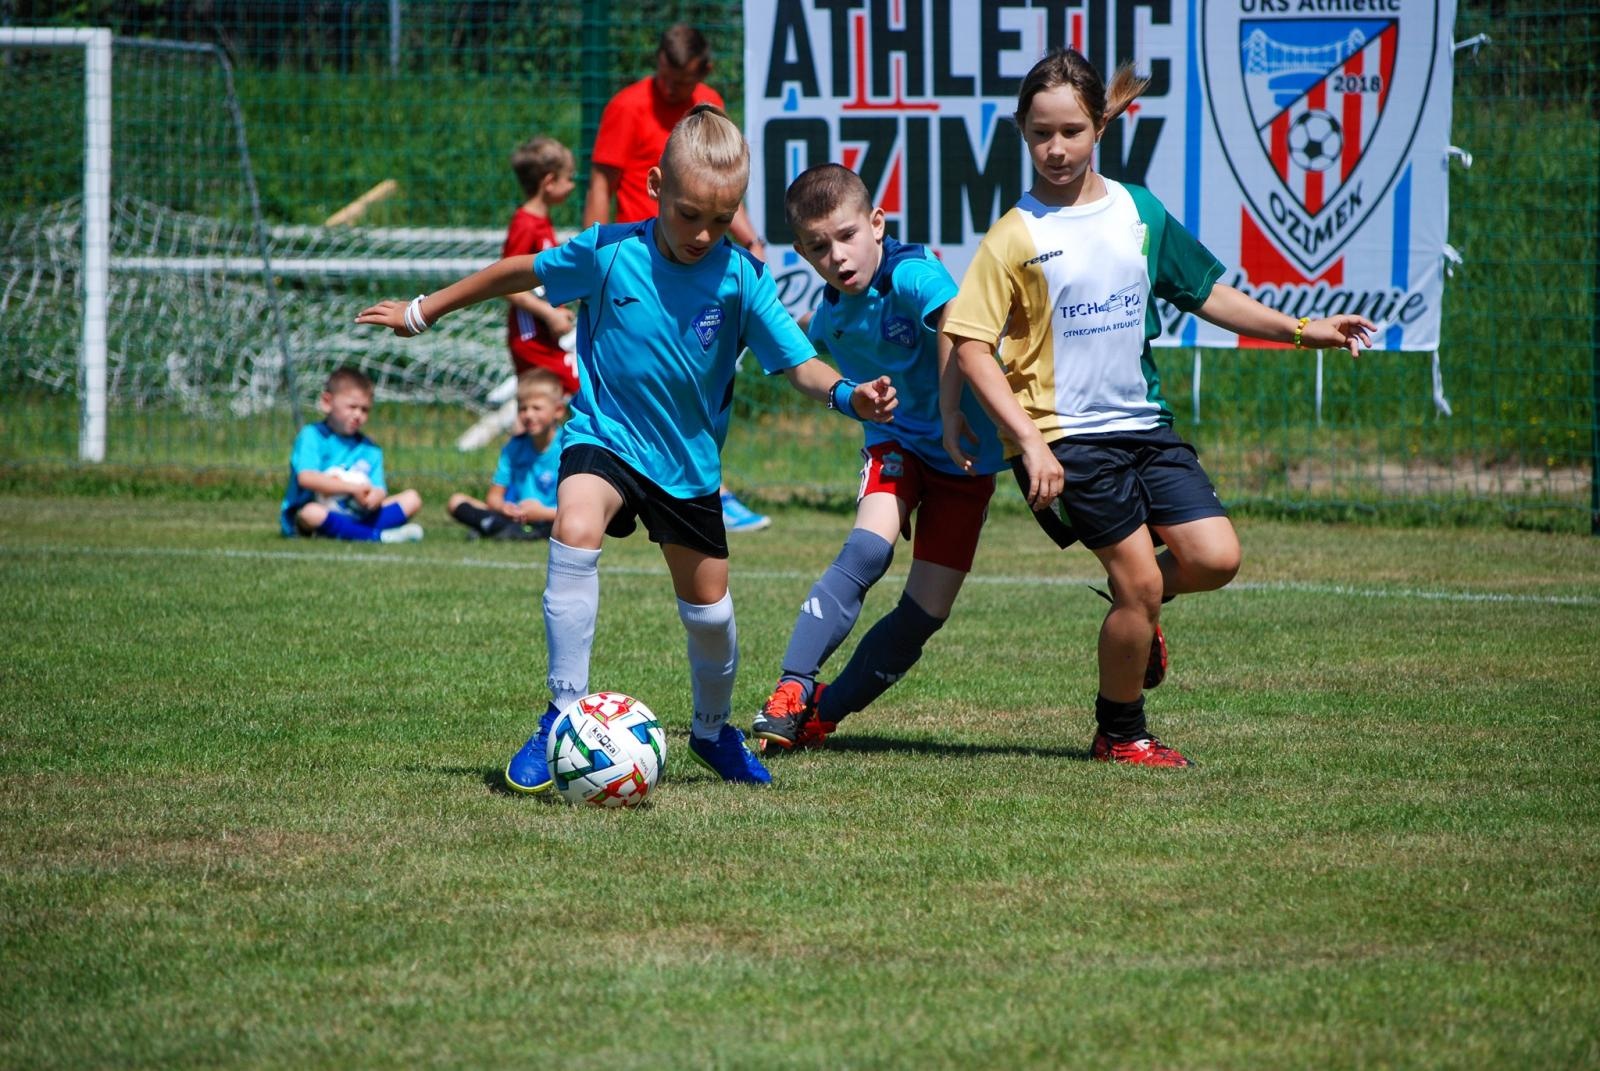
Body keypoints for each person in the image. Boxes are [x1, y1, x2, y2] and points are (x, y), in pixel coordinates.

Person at [356, 104, 897, 789]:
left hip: (688, 465)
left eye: (720, 216)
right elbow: (516, 271)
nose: (703, 232)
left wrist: (850, 395)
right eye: (689, 213)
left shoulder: (742, 278)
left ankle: (711, 731)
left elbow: (799, 366)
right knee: (575, 526)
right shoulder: (610, 250)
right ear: (654, 189)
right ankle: (560, 712)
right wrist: (421, 310)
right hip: (604, 434)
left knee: (711, 616)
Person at [942, 48, 1373, 768]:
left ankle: (1137, 618)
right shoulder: (1014, 234)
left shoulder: (1139, 211)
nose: (1056, 147)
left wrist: (1305, 330)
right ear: (1021, 131)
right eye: (1041, 132)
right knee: (1140, 581)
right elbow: (971, 342)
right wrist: (1028, 440)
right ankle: (1120, 731)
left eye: (1072, 131)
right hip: (1064, 437)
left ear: (1100, 126)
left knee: (1216, 557)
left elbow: (1209, 294)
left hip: (1144, 426)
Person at [750, 164, 1006, 752]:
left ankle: (821, 715)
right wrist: (858, 400)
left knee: (924, 615)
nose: (837, 256)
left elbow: (958, 326)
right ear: (803, 252)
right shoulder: (832, 316)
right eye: (818, 247)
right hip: (897, 445)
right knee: (868, 547)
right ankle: (790, 690)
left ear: (876, 224)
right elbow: (806, 370)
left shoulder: (912, 274)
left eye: (846, 236)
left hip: (965, 455)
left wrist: (950, 413)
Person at [585, 22, 772, 533]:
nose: (669, 90)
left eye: (680, 82)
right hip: (639, 267)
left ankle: (706, 484)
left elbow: (716, 190)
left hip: (696, 267)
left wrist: (750, 239)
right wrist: (591, 260)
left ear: (704, 72)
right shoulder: (626, 106)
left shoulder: (709, 102)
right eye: (664, 78)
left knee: (700, 375)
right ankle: (628, 481)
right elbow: (602, 182)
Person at [279, 366, 424, 542]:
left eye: (364, 410)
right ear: (327, 402)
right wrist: (352, 488)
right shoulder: (312, 436)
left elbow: (379, 488)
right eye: (352, 407)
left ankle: (351, 531)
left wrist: (374, 498)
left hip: (357, 513)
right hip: (315, 514)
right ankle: (377, 536)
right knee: (312, 513)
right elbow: (306, 478)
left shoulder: (371, 449)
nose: (358, 415)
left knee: (412, 499)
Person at [447, 368, 566, 541]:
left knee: (574, 521)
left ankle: (493, 527)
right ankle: (510, 529)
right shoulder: (513, 447)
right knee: (456, 501)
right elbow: (494, 497)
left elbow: (582, 506)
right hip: (516, 516)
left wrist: (541, 513)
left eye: (537, 408)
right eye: (523, 408)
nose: (529, 415)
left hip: (553, 516)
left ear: (558, 410)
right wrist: (505, 508)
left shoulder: (568, 447)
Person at [504, 136, 580, 397]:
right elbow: (509, 286)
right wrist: (549, 314)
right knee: (577, 390)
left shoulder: (541, 222)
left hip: (543, 337)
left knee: (540, 408)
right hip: (530, 339)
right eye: (569, 177)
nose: (572, 186)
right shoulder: (525, 224)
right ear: (549, 182)